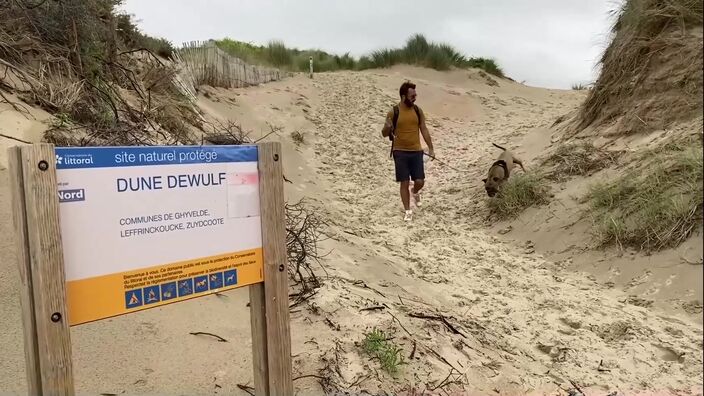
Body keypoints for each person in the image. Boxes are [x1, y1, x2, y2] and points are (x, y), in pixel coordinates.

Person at [381, 81, 435, 221]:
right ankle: (408, 210)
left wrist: (431, 148)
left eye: (415, 95)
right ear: (403, 96)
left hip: (416, 151)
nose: (415, 98)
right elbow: (384, 133)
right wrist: (387, 127)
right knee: (404, 182)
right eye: (412, 96)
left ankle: (415, 192)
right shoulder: (394, 111)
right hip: (400, 152)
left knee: (420, 181)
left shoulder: (418, 111)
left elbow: (424, 129)